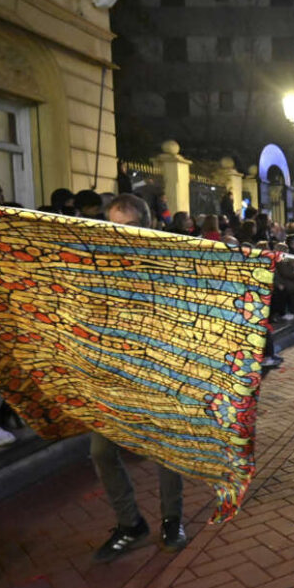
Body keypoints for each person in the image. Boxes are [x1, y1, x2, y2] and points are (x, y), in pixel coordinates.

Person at [90, 194, 187, 562]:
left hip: (159, 372)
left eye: (130, 227)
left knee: (166, 450)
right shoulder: (99, 267)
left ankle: (172, 519)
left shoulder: (167, 262)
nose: (122, 235)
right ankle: (130, 523)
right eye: (115, 227)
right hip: (114, 374)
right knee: (101, 450)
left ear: (148, 225)